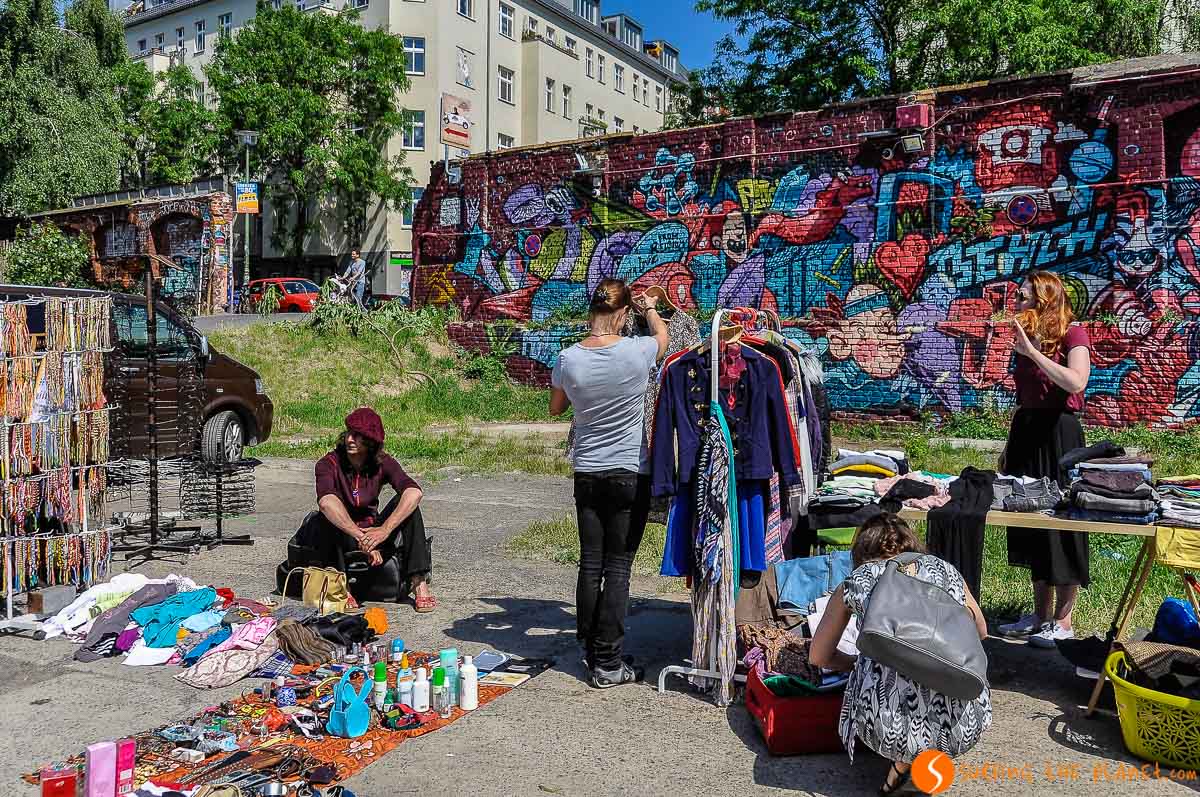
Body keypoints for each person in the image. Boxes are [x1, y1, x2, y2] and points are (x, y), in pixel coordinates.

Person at [811, 513, 991, 795]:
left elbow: (818, 657)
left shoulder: (856, 581)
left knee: (880, 674)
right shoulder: (946, 571)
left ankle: (904, 758)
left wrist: (858, 663)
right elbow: (981, 631)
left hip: (884, 726)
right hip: (965, 721)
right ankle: (916, 757)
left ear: (861, 551)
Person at [549, 278, 668, 689]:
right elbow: (662, 336)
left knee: (590, 563)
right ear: (622, 314)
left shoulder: (567, 358)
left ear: (591, 312)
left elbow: (555, 407)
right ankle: (609, 663)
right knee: (618, 569)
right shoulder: (637, 353)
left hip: (587, 472)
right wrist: (650, 307)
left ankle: (590, 648)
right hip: (628, 472)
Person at [997, 270, 1093, 647]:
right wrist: (1009, 446)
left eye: (1023, 296)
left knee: (1062, 521)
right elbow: (1026, 398)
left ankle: (1063, 621)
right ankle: (1038, 616)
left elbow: (1076, 382)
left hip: (1059, 433)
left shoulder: (1073, 333)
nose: (1017, 302)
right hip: (1027, 431)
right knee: (1029, 521)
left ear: (1045, 297)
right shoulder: (1024, 337)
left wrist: (1034, 352)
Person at [295, 407, 436, 611]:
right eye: (349, 433)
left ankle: (418, 582)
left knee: (408, 505)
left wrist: (384, 531)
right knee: (324, 517)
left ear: (371, 443)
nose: (350, 439)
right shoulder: (328, 464)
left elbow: (414, 492)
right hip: (345, 534)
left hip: (375, 531)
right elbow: (326, 501)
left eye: (358, 436)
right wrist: (362, 538)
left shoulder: (382, 462)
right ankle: (341, 587)